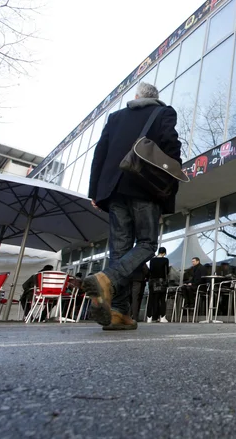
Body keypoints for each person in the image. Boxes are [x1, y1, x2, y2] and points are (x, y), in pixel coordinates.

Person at [84, 82, 181, 331]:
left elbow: (100, 153)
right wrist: (169, 187)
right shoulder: (164, 113)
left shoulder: (115, 117)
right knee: (148, 243)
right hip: (144, 188)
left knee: (120, 251)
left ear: (136, 97)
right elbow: (171, 147)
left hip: (113, 189)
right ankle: (107, 278)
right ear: (155, 99)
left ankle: (118, 312)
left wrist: (95, 190)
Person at [147, 248, 169, 323]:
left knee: (152, 299)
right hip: (161, 281)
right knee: (162, 299)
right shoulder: (165, 260)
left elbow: (151, 270)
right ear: (164, 253)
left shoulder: (152, 260)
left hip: (152, 281)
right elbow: (167, 271)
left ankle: (149, 317)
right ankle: (162, 317)